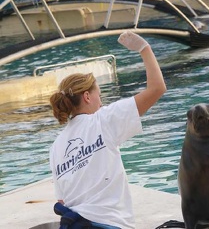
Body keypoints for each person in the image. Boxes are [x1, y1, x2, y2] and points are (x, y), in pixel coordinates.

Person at [49, 31, 167, 229]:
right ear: (87, 96)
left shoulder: (56, 146)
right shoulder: (103, 120)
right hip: (109, 224)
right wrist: (144, 49)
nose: (101, 102)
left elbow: (62, 201)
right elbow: (157, 88)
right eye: (99, 95)